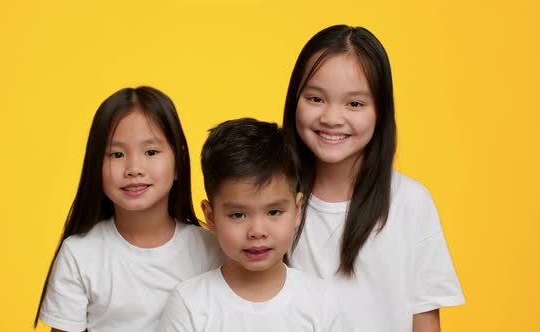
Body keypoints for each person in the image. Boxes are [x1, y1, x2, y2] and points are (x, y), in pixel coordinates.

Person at [282, 25, 465, 332]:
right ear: (294, 100)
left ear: (380, 111)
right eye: (315, 98)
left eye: (354, 103)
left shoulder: (409, 201)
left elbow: (424, 319)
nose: (331, 118)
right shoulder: (275, 201)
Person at [34, 86, 223, 332]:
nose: (134, 168)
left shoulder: (211, 249)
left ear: (179, 161)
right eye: (117, 154)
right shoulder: (80, 254)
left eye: (151, 152)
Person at [159, 118, 354, 332]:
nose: (257, 232)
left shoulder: (321, 302)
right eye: (238, 215)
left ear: (298, 209)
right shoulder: (190, 304)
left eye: (274, 212)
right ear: (211, 217)